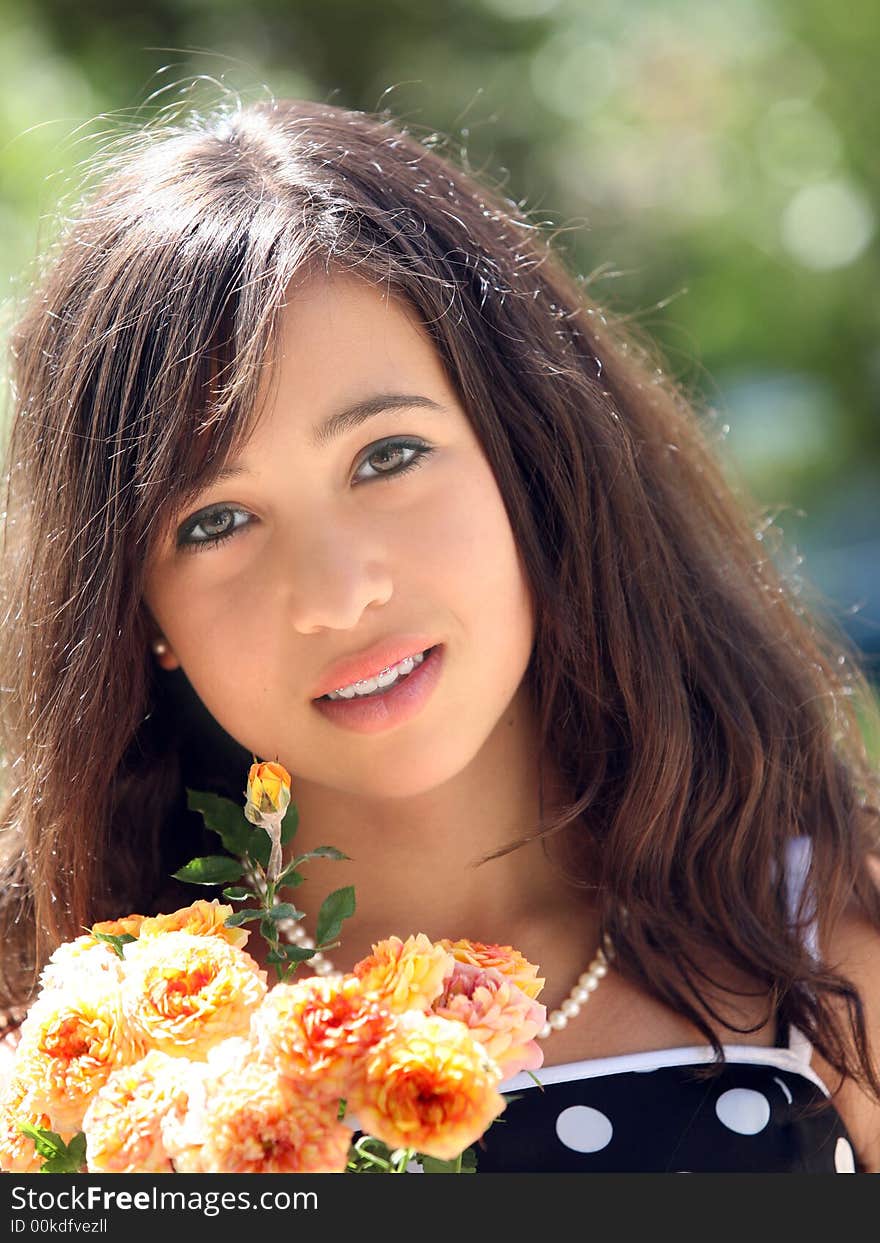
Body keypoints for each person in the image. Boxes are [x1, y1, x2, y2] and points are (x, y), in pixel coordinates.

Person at [0, 96, 878, 1174]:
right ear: (137, 613)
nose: (334, 593)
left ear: (530, 457)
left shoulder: (824, 952)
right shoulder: (74, 1066)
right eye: (215, 521)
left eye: (385, 456)